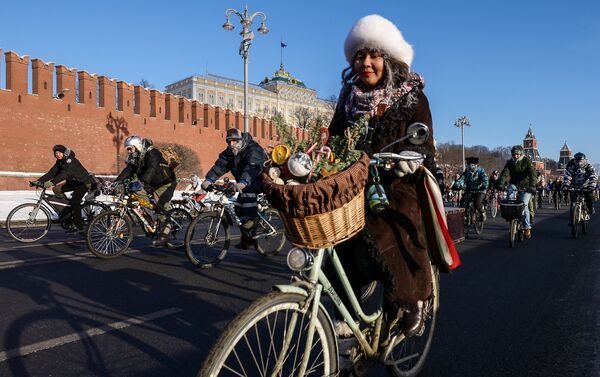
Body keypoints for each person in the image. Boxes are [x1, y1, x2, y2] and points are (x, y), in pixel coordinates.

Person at [327, 14, 438, 339]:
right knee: (338, 243)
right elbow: (335, 137)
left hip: (397, 180)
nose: (366, 62)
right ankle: (348, 313)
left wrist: (412, 157)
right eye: (359, 55)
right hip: (354, 181)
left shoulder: (411, 95)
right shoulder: (349, 98)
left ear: (388, 59)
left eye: (374, 55)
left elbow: (425, 139)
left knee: (396, 228)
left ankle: (412, 298)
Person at [201, 128, 268, 249]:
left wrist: (243, 182)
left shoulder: (252, 149)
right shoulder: (230, 152)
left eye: (234, 141)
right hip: (243, 182)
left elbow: (252, 168)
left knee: (248, 193)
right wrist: (208, 180)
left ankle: (254, 219)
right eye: (229, 142)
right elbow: (220, 165)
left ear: (241, 140)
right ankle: (247, 238)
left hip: (260, 178)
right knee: (238, 208)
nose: (231, 144)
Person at [114, 135, 177, 247]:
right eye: (128, 149)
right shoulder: (137, 157)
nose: (129, 151)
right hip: (152, 184)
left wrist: (141, 182)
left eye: (130, 148)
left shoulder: (153, 153)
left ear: (137, 146)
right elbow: (129, 169)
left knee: (161, 207)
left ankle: (165, 235)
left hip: (165, 183)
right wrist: (117, 181)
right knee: (135, 193)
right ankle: (151, 216)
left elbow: (152, 168)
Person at [32, 144, 93, 234]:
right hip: (72, 182)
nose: (57, 154)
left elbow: (64, 174)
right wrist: (38, 181)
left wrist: (52, 183)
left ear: (64, 153)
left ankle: (78, 226)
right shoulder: (59, 162)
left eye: (59, 152)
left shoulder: (71, 161)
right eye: (56, 153)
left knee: (75, 202)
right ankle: (67, 210)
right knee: (56, 189)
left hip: (83, 183)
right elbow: (51, 173)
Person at [496, 145, 537, 238]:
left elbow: (532, 174)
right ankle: (511, 217)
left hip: (526, 186)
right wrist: (500, 184)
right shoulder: (510, 162)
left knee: (524, 205)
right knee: (510, 201)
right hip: (514, 184)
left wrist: (532, 186)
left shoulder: (527, 161)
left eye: (517, 154)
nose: (515, 156)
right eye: (513, 154)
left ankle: (527, 227)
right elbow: (505, 173)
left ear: (521, 154)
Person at [451, 157, 489, 222]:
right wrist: (456, 185)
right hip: (470, 190)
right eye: (468, 165)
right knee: (463, 202)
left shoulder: (480, 171)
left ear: (475, 165)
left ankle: (482, 212)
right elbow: (462, 179)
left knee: (477, 203)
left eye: (471, 165)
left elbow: (485, 178)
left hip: (480, 190)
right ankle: (465, 216)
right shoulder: (467, 172)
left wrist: (484, 185)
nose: (469, 167)